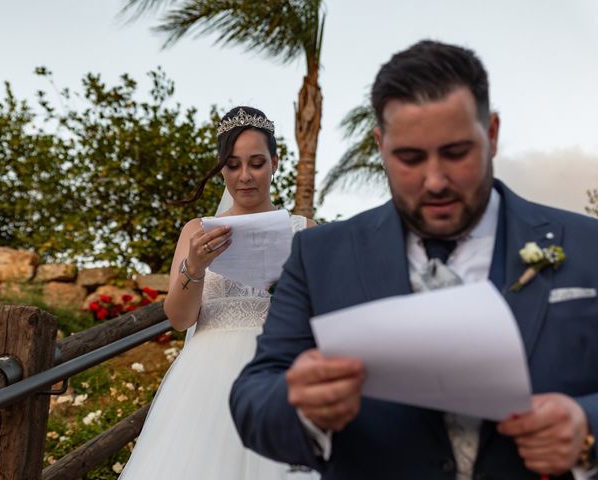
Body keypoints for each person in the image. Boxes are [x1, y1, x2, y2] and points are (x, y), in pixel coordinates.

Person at [230, 41, 598, 479]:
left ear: (493, 133)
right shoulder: (319, 254)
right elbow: (253, 396)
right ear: (381, 144)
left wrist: (587, 428)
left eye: (457, 152)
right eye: (410, 158)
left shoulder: (587, 244)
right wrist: (300, 403)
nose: (435, 180)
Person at [119, 106, 317, 479]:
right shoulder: (197, 232)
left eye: (257, 163)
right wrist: (194, 266)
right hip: (206, 381)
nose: (245, 176)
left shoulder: (305, 231)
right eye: (232, 164)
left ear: (275, 162)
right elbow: (179, 320)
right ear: (222, 168)